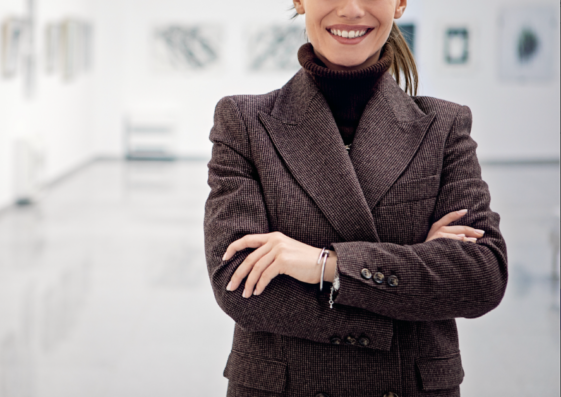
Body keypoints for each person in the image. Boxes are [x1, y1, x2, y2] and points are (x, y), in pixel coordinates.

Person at [203, 0, 508, 396]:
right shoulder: (244, 122)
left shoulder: (444, 127)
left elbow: (481, 276)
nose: (350, 9)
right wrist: (413, 275)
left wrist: (326, 265)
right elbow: (237, 282)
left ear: (399, 4)